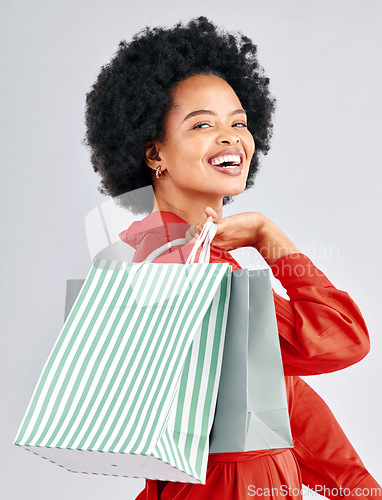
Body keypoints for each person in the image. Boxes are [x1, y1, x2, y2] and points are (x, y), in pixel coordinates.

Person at [84, 16, 381, 499]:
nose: (231, 138)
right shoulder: (195, 271)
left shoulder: (160, 254)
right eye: (202, 124)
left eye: (238, 123)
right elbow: (342, 336)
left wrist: (357, 486)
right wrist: (271, 239)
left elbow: (281, 398)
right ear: (154, 153)